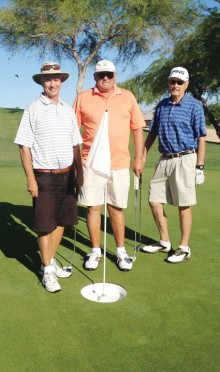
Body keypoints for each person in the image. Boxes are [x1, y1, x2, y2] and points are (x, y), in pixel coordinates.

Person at [14, 62, 83, 292]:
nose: (52, 83)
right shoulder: (33, 108)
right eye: (47, 79)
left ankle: (49, 264)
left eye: (56, 79)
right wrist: (31, 179)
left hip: (67, 175)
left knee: (62, 221)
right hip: (43, 175)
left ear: (61, 81)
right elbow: (24, 147)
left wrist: (79, 173)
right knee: (45, 226)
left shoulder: (67, 109)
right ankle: (47, 270)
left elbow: (76, 145)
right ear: (41, 82)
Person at [73, 59, 145, 271]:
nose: (105, 78)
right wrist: (75, 162)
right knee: (94, 207)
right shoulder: (83, 98)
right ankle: (95, 251)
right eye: (101, 74)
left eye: (109, 74)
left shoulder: (128, 97)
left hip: (120, 163)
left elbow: (138, 129)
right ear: (95, 76)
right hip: (90, 162)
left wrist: (139, 157)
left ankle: (121, 251)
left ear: (115, 76)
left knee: (116, 208)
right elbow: (72, 132)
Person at [142, 67, 206, 263]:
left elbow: (201, 137)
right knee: (154, 200)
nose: (175, 85)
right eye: (172, 81)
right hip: (164, 159)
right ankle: (165, 242)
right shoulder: (161, 105)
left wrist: (199, 166)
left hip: (185, 158)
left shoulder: (194, 106)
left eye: (179, 82)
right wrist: (141, 157)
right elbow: (152, 133)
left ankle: (184, 247)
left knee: (183, 204)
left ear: (186, 85)